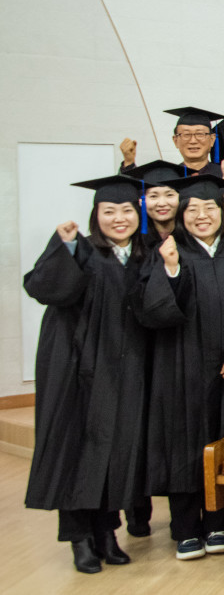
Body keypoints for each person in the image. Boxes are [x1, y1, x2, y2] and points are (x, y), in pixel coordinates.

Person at [24, 175, 152, 574]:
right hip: (75, 370)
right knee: (75, 451)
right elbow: (43, 288)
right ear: (96, 216)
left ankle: (107, 531)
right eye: (109, 211)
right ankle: (79, 537)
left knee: (113, 452)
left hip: (121, 370)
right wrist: (63, 244)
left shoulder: (142, 256)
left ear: (139, 215)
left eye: (127, 210)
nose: (119, 218)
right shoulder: (80, 249)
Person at [135, 174, 224, 560]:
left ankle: (217, 523)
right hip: (179, 365)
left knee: (218, 442)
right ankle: (184, 529)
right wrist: (171, 268)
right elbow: (152, 311)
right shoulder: (168, 250)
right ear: (181, 214)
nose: (202, 215)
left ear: (222, 210)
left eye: (210, 207)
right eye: (192, 209)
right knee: (182, 443)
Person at [112, 160, 186, 536]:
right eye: (153, 195)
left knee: (172, 432)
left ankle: (180, 513)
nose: (162, 202)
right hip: (138, 350)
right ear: (142, 201)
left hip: (177, 349)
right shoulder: (134, 244)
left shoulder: (189, 239)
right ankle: (136, 509)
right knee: (136, 431)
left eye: (170, 194)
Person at [121, 107, 224, 180]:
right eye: (186, 135)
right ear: (175, 141)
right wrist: (129, 163)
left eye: (200, 134)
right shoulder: (165, 178)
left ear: (212, 139)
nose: (193, 141)